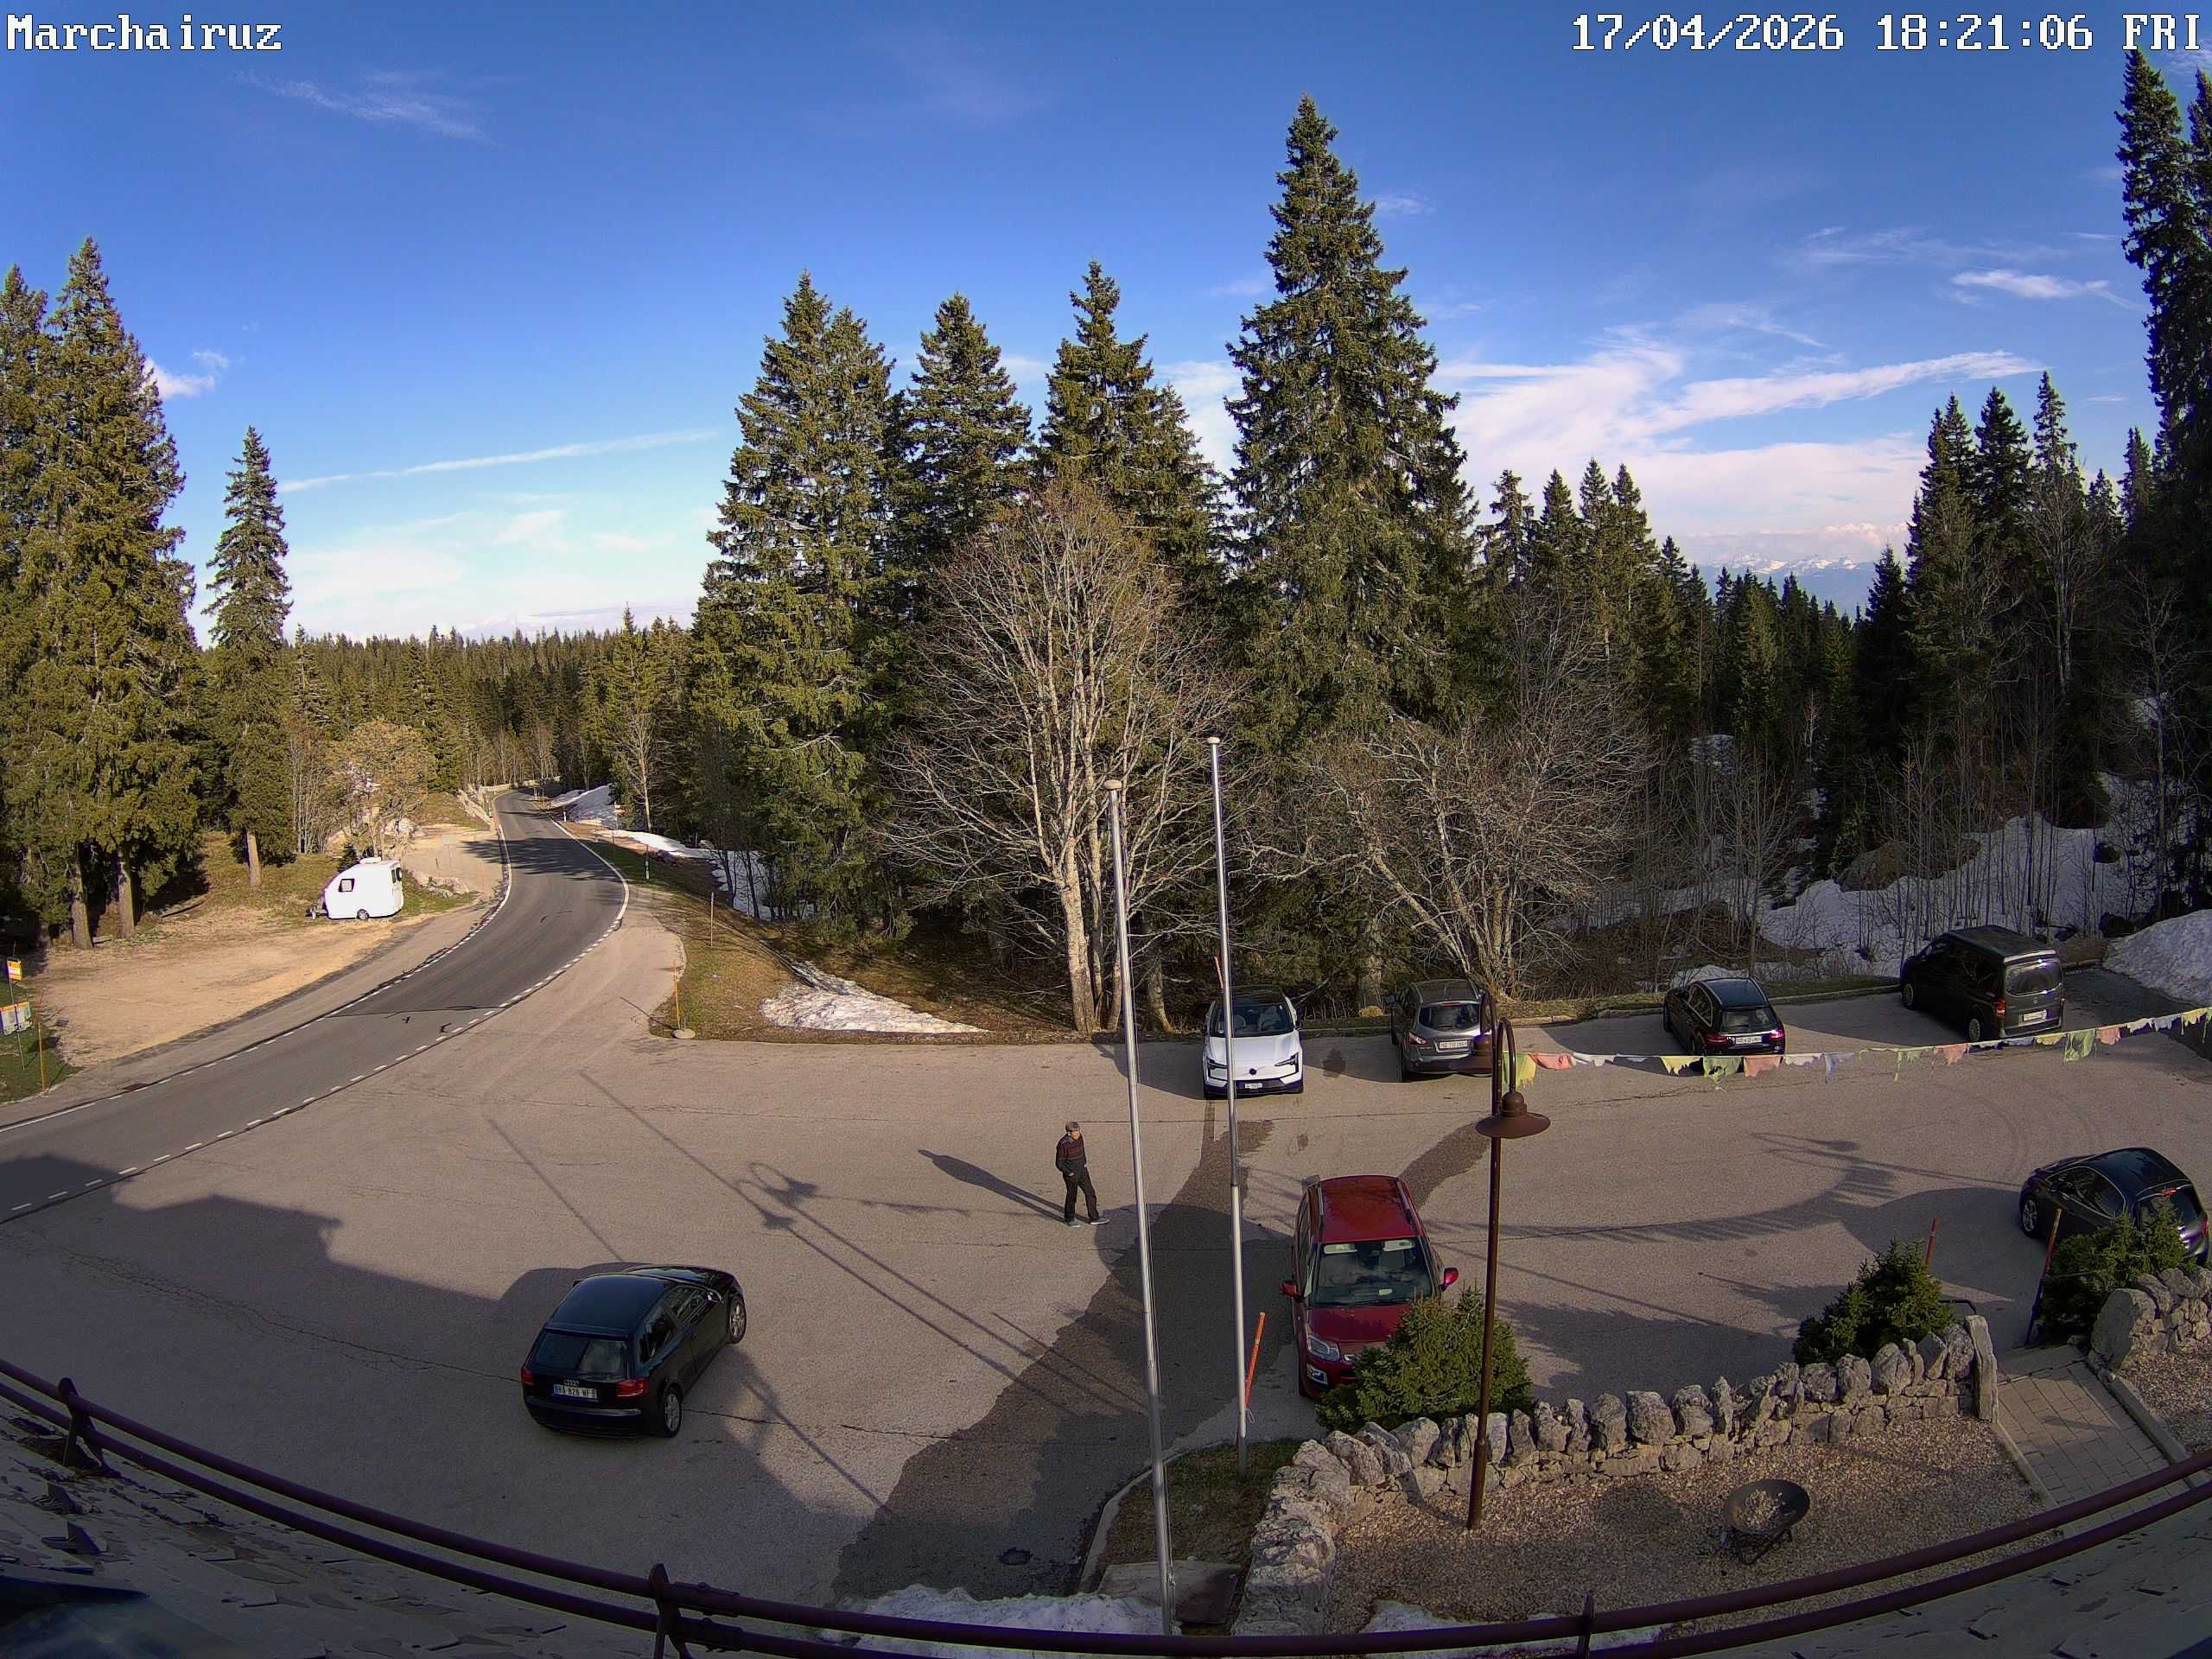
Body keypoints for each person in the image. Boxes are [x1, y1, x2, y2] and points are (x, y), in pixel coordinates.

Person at [1056, 1120, 1100, 1226]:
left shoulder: (1080, 1138)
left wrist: (1084, 1163)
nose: (1077, 1134)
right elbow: (1059, 1163)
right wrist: (1068, 1172)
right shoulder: (1063, 1144)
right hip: (1071, 1175)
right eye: (1075, 1132)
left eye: (1078, 1131)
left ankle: (1094, 1217)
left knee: (1090, 1192)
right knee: (1072, 1196)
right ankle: (1069, 1218)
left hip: (1082, 1171)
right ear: (1069, 1133)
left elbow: (1082, 1151)